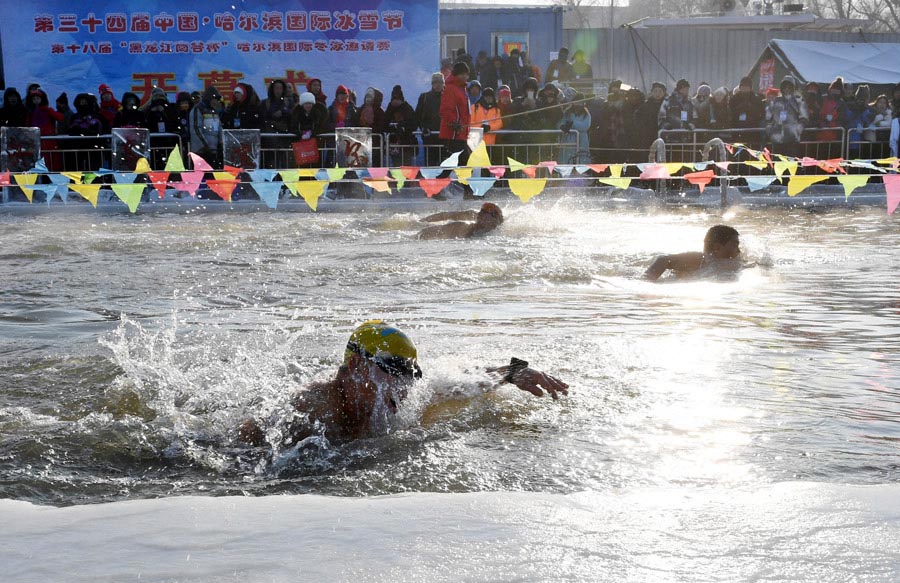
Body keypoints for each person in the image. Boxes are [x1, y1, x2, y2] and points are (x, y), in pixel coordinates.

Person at [238, 320, 568, 445]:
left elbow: (461, 382)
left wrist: (513, 372)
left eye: (410, 372)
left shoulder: (395, 399)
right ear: (355, 365)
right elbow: (240, 449)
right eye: (391, 369)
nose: (403, 383)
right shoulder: (313, 408)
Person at [643, 225, 742, 281]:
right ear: (717, 247)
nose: (739, 250)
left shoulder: (732, 262)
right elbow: (663, 259)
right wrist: (647, 281)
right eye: (735, 245)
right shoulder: (702, 259)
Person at [417, 202, 505, 240]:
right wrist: (423, 221)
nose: (481, 213)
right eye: (482, 211)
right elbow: (445, 215)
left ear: (495, 220)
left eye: (485, 212)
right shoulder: (465, 225)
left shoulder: (498, 230)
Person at [439, 61, 471, 164]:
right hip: (453, 134)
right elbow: (445, 109)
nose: (465, 76)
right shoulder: (451, 88)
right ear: (456, 74)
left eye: (466, 74)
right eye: (462, 74)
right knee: (452, 166)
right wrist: (454, 123)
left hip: (461, 133)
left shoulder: (462, 89)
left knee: (460, 165)